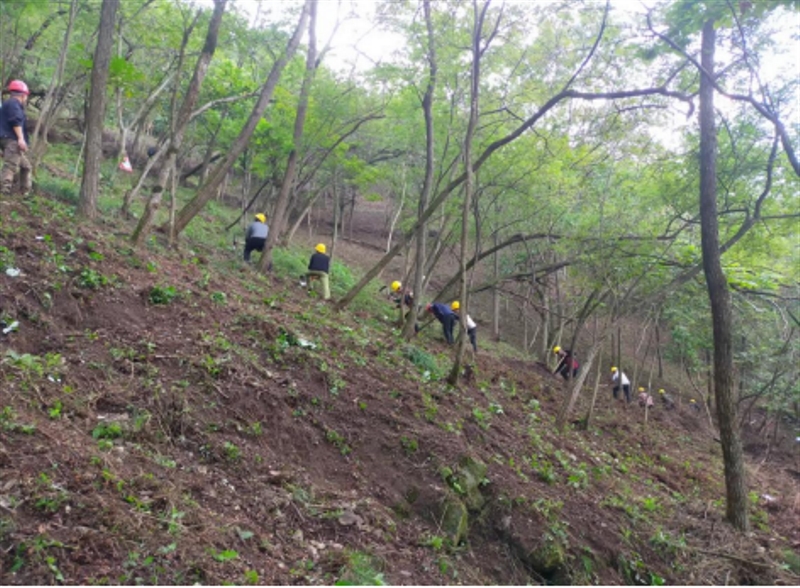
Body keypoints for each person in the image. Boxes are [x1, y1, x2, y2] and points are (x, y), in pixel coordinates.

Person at [0, 80, 32, 197]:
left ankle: (24, 191)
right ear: (23, 95)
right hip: (12, 140)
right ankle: (4, 191)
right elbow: (15, 122)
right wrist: (21, 139)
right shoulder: (14, 104)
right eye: (26, 96)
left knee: (26, 166)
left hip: (5, 139)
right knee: (10, 166)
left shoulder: (6, 104)